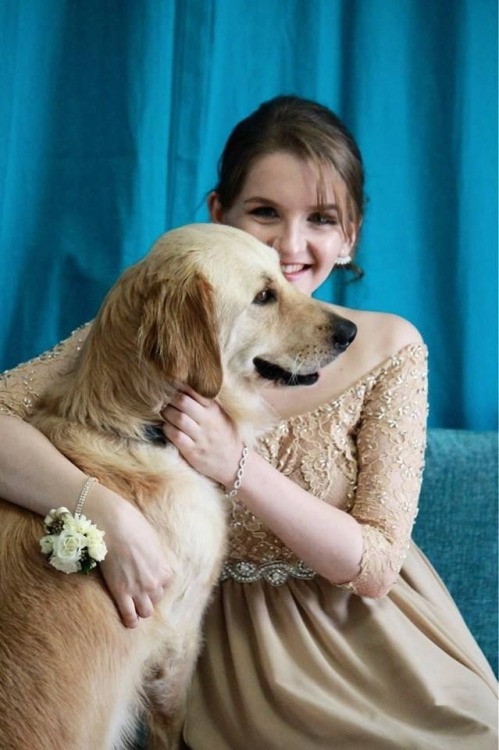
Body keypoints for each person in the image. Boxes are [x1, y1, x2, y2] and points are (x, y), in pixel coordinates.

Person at [0, 95, 496, 749]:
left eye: (321, 219)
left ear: (348, 237)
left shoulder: (389, 348)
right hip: (211, 655)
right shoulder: (152, 332)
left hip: (358, 647)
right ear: (219, 214)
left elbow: (376, 564)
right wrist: (110, 520)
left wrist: (234, 467)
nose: (291, 244)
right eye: (264, 212)